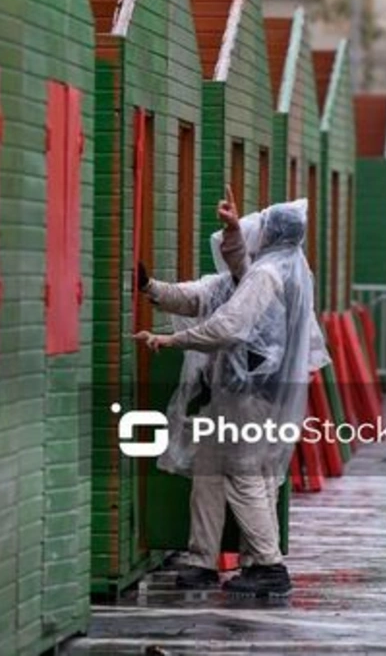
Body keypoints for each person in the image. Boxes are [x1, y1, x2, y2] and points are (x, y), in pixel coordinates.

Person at [136, 194, 328, 597]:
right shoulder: (286, 270)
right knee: (211, 472)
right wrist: (151, 288)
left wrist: (172, 339)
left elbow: (228, 326)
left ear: (270, 233)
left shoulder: (267, 275)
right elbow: (211, 288)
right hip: (248, 394)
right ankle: (202, 559)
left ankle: (268, 563)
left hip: (249, 396)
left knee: (244, 475)